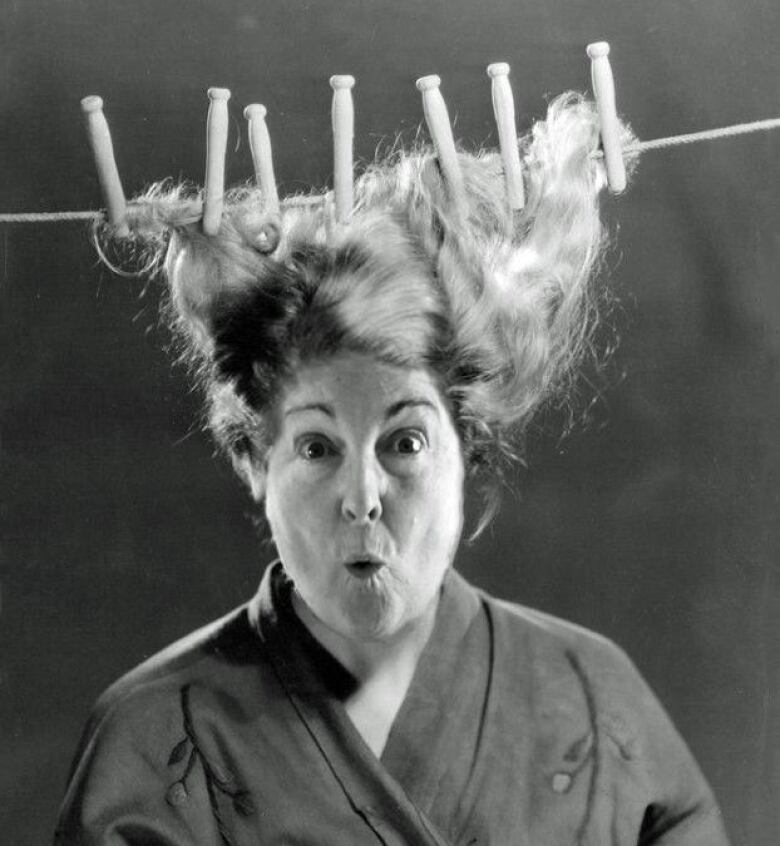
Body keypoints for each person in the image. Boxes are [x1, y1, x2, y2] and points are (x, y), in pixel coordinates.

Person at [55, 92, 730, 845]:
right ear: (254, 459)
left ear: (466, 446)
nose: (363, 497)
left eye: (405, 443)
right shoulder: (156, 734)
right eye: (316, 448)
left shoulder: (590, 697)